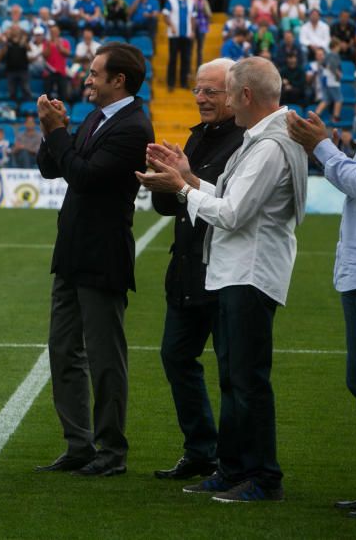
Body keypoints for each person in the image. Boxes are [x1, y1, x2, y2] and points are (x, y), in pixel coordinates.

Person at [137, 56, 308, 503]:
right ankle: (232, 469)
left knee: (247, 380)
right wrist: (188, 176)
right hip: (236, 271)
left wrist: (181, 188)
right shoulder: (262, 140)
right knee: (235, 378)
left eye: (227, 93)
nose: (222, 101)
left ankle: (263, 477)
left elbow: (232, 214)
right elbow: (228, 198)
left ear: (246, 96)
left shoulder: (270, 147)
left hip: (250, 273)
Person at [34, 43, 154, 477]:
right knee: (63, 352)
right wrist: (54, 131)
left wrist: (58, 133)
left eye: (94, 72)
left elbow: (83, 177)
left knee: (105, 359)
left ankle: (111, 451)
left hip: (103, 255)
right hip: (71, 252)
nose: (87, 78)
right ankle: (79, 446)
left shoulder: (135, 127)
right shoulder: (94, 118)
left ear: (118, 80)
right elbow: (53, 169)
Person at [149, 58, 245, 481]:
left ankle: (232, 461)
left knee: (232, 371)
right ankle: (201, 449)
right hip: (187, 268)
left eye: (211, 91)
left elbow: (227, 209)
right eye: (198, 91)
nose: (202, 99)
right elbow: (173, 204)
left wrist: (183, 183)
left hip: (225, 271)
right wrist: (163, 180)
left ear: (236, 93)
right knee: (175, 356)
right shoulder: (197, 137)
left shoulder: (246, 143)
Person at [163, 0, 196, 91]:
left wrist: (192, 30)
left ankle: (184, 82)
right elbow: (165, 15)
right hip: (174, 35)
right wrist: (171, 26)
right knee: (173, 59)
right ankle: (170, 83)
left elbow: (193, 17)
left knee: (186, 59)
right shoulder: (171, 0)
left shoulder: (191, 1)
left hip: (186, 35)